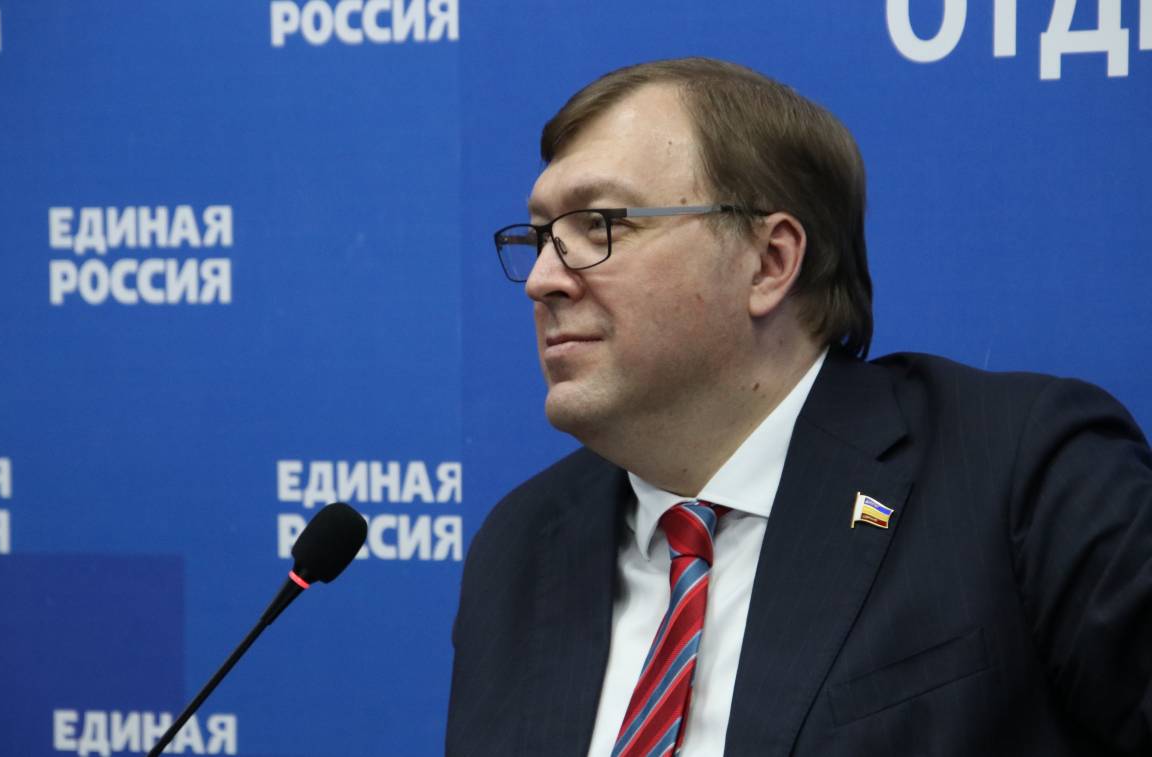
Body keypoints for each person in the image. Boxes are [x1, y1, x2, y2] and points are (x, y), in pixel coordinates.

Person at [445, 57, 1152, 756]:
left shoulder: (1020, 473)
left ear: (770, 262)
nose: (542, 280)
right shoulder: (522, 549)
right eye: (541, 236)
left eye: (601, 224)